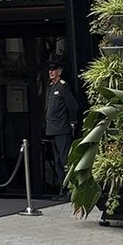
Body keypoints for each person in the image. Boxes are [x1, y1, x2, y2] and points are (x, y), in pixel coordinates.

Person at [44, 59, 79, 192]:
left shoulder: (62, 86)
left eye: (53, 70)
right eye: (49, 70)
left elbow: (73, 106)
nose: (51, 72)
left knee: (65, 161)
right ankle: (63, 189)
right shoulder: (52, 87)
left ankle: (71, 189)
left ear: (59, 71)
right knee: (58, 162)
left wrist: (73, 122)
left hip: (62, 129)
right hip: (53, 129)